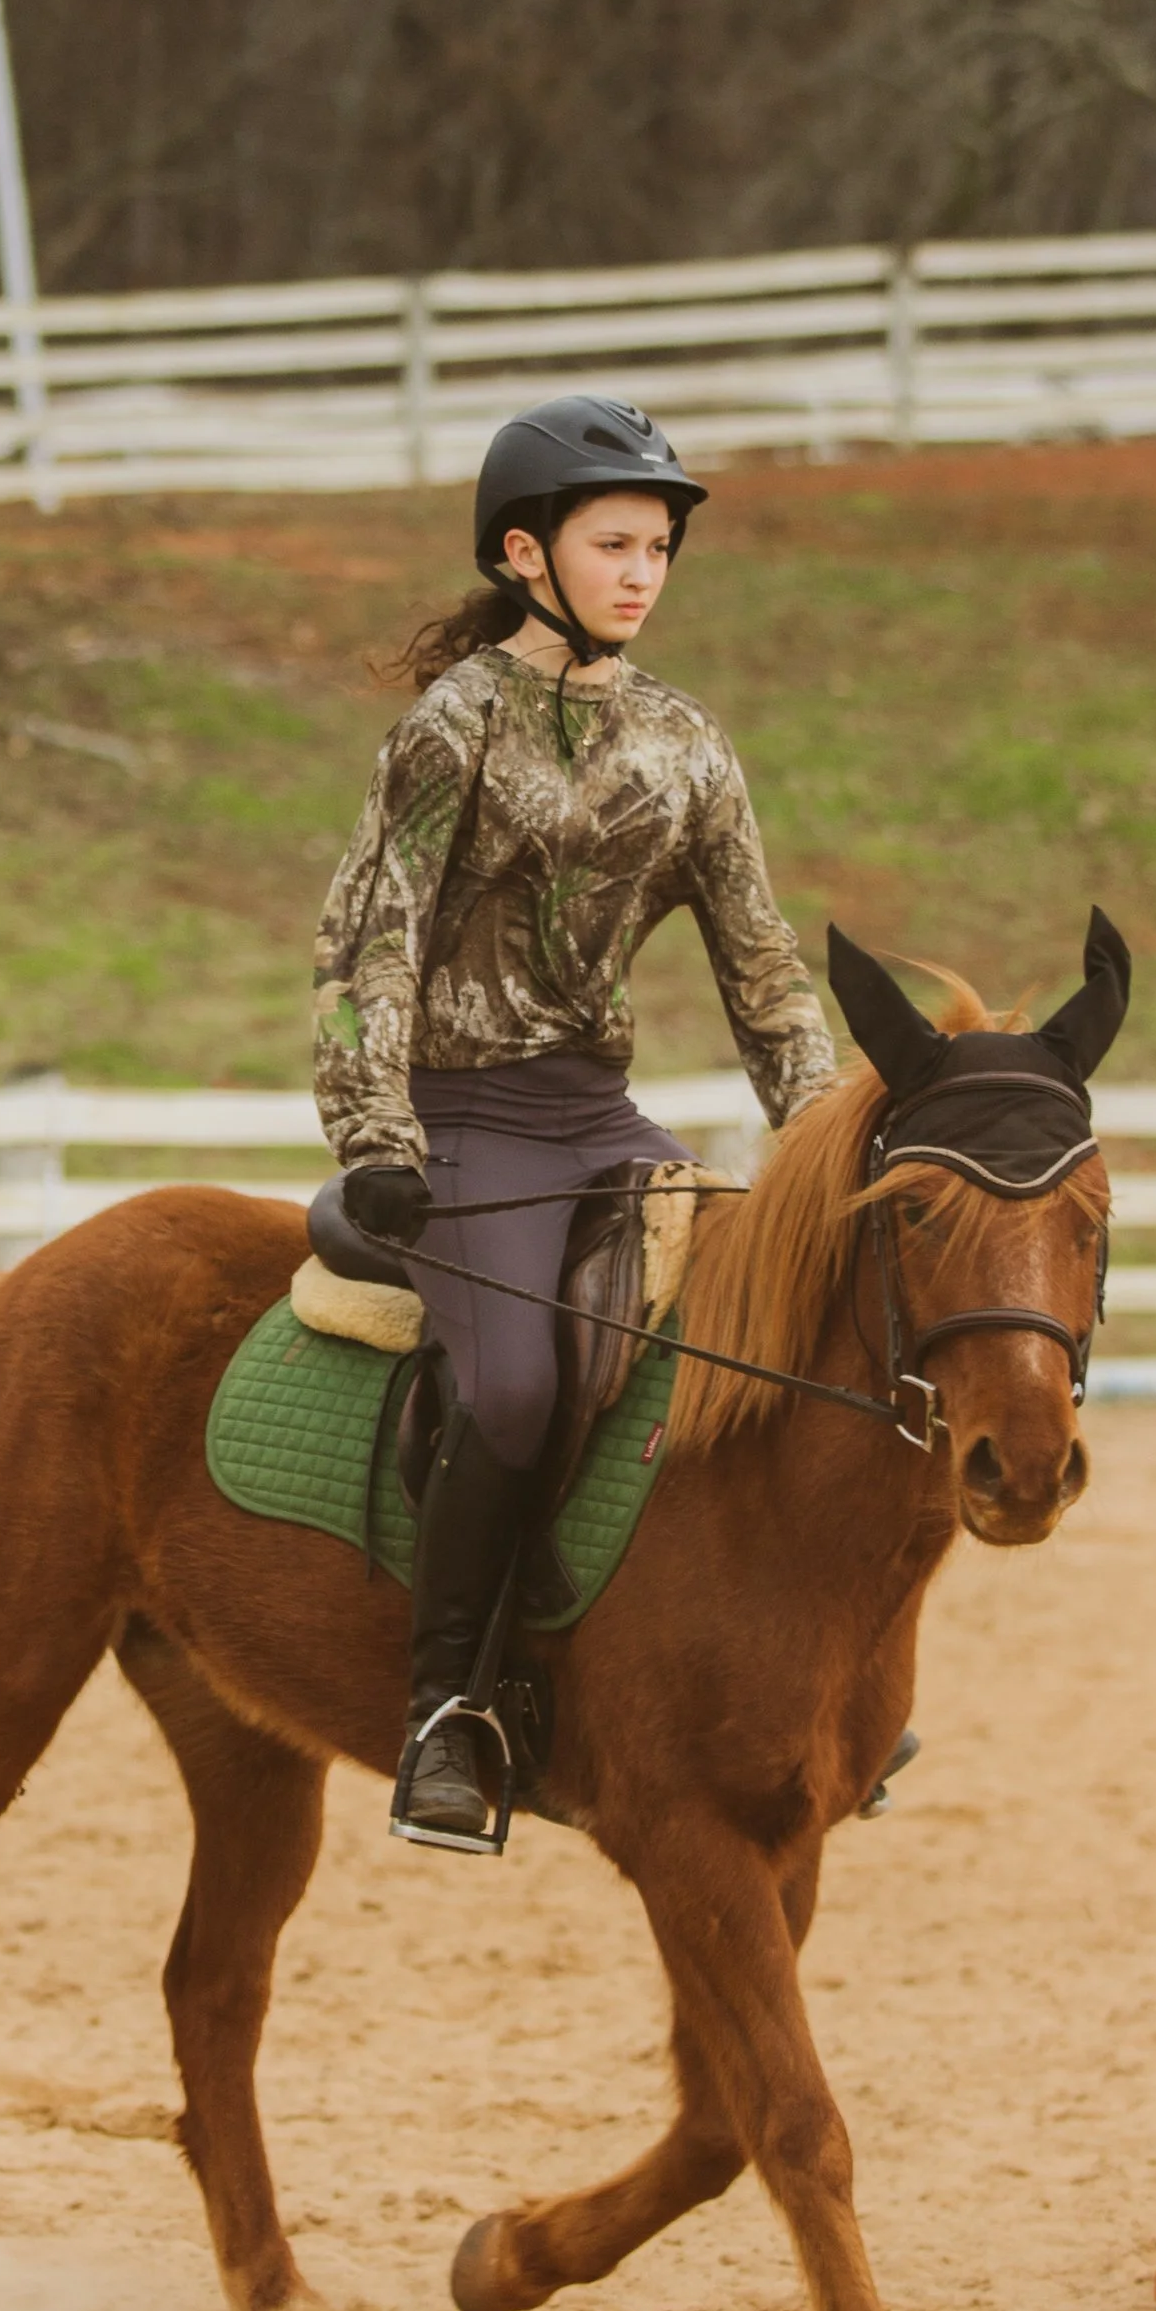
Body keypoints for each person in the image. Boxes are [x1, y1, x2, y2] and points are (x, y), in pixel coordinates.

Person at [311, 394, 836, 1850]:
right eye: (615, 544)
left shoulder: (686, 747)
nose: (642, 572)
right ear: (526, 554)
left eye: (658, 547)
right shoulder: (450, 728)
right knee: (525, 1390)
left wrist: (829, 1143)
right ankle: (449, 1713)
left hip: (599, 1115)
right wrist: (378, 1137)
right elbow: (371, 948)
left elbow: (766, 972)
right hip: (465, 1122)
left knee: (753, 1336)